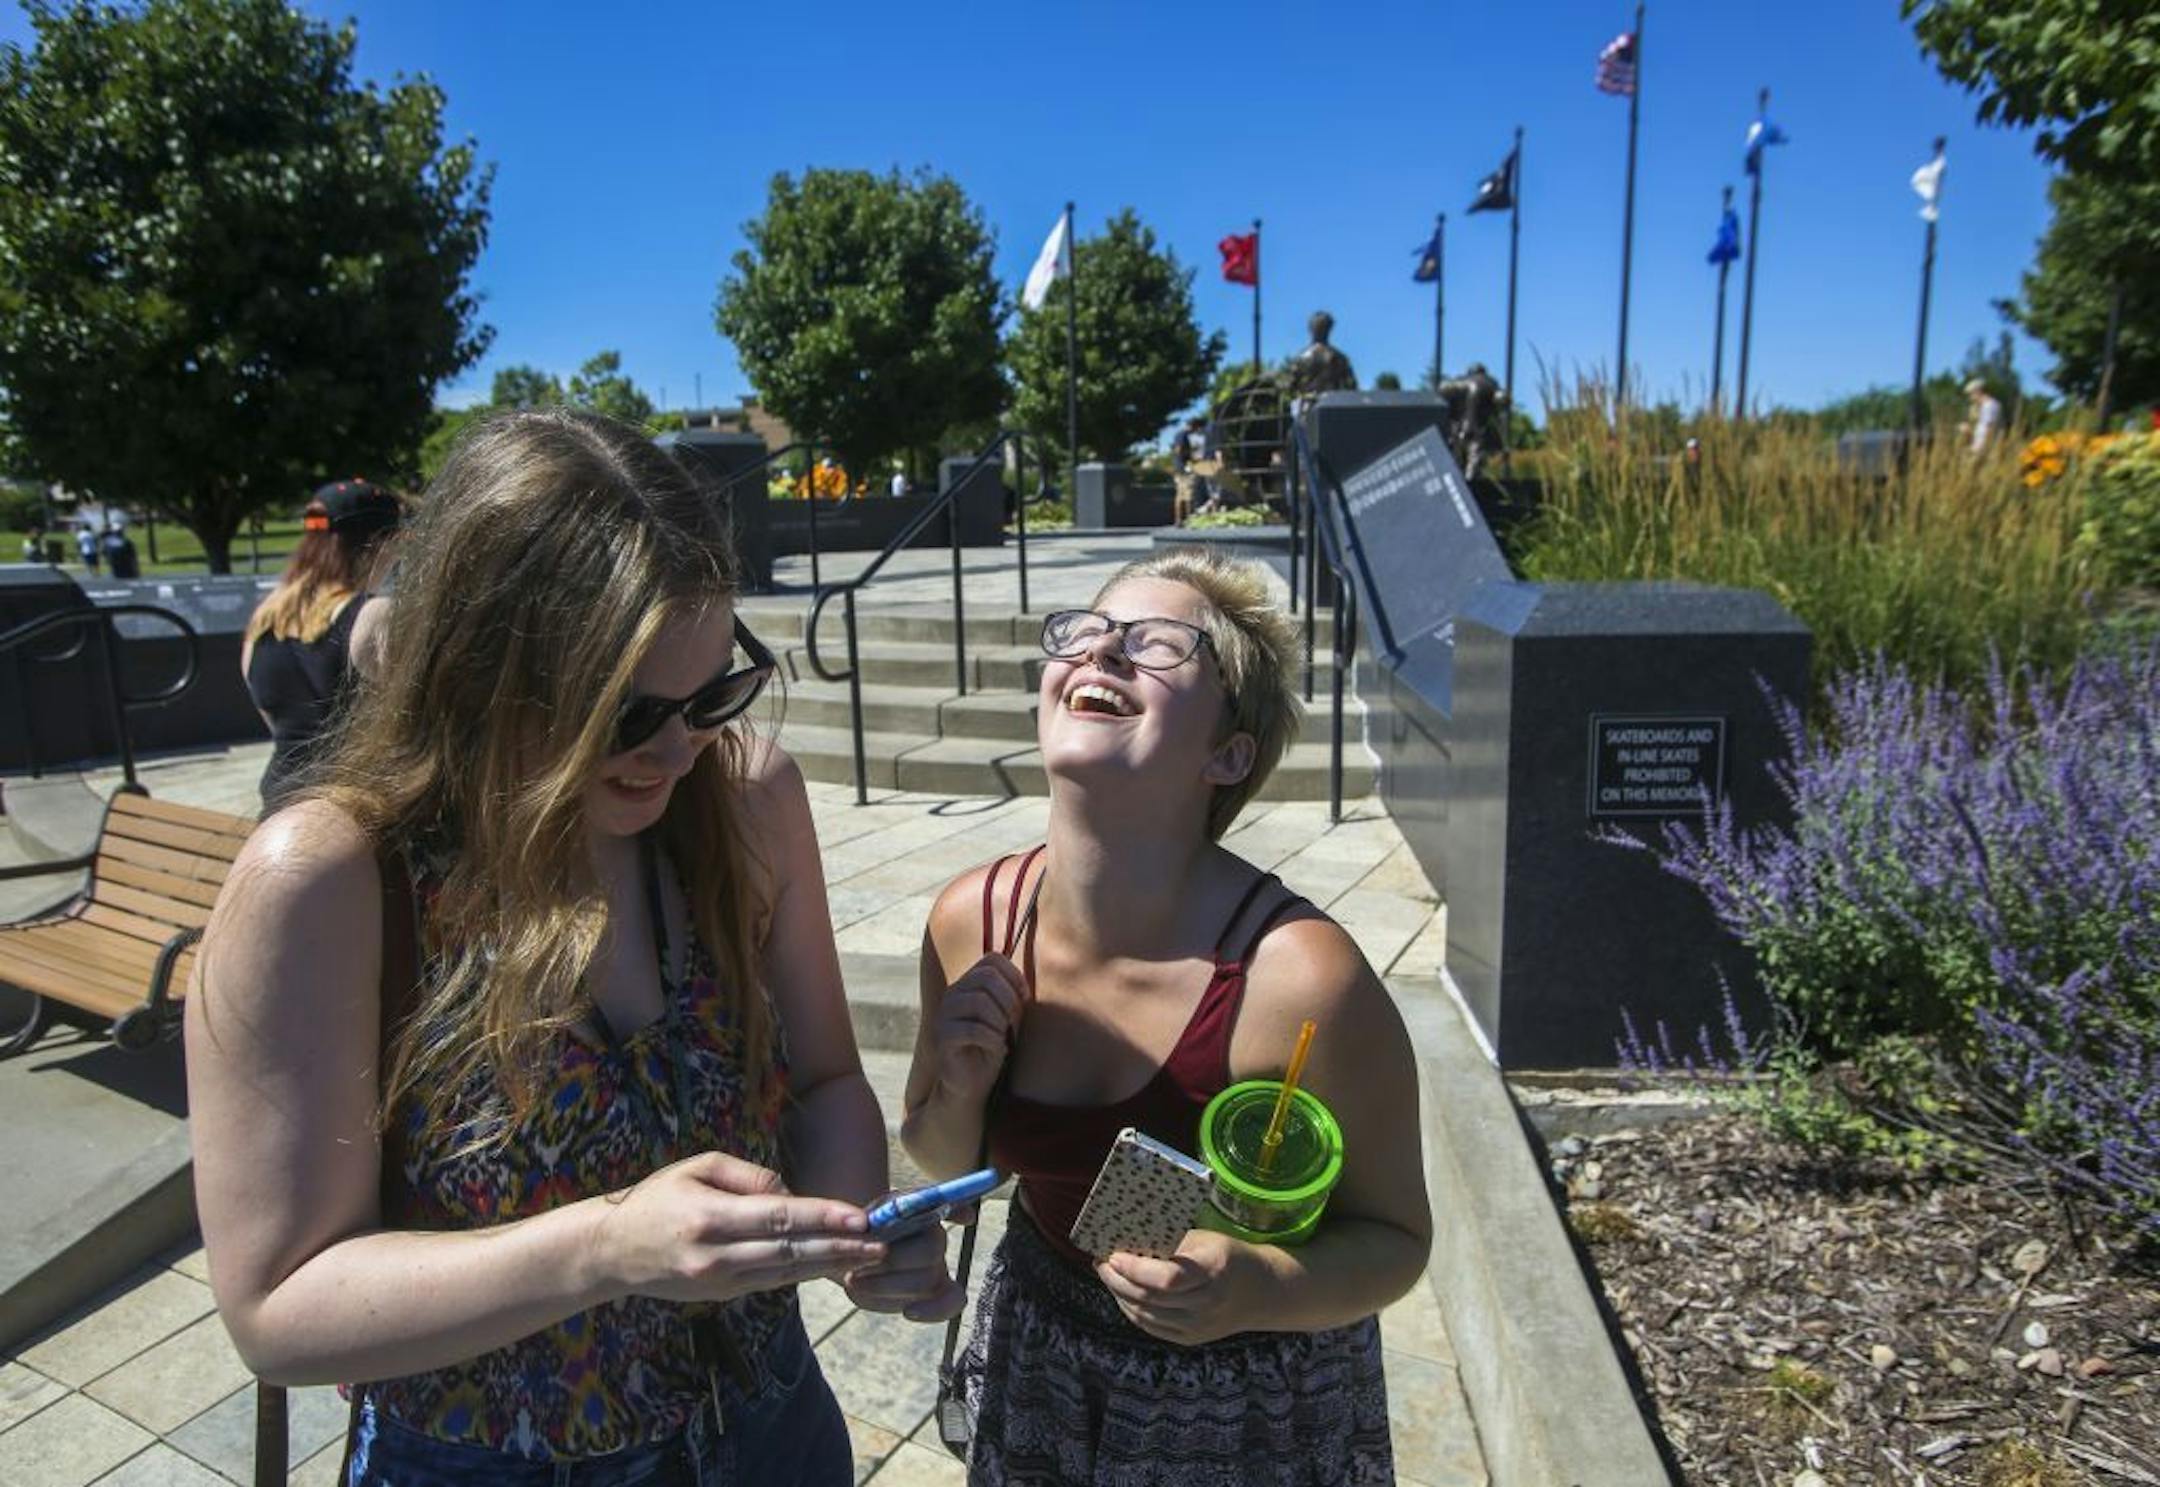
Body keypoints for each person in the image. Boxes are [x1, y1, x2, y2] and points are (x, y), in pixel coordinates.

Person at [188, 409, 959, 1486]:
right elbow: (277, 1305)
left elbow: (827, 1078)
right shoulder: (331, 881)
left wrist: (845, 1227)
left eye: (710, 694)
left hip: (770, 1425)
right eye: (627, 715)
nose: (682, 749)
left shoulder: (745, 800)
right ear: (477, 670)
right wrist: (604, 1245)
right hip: (487, 1461)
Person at [901, 549, 1431, 1484]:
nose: (1103, 653)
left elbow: (1396, 1241)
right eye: (1088, 631)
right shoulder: (969, 922)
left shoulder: (1301, 981)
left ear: (1228, 752)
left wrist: (1255, 1286)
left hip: (1249, 1402)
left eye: (1156, 645)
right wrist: (960, 1079)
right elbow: (944, 1158)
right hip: (1046, 1359)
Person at [241, 480, 406, 807]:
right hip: (350, 809)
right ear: (378, 544)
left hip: (280, 801)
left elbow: (272, 716)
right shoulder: (372, 616)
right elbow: (407, 721)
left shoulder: (266, 617)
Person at [1962, 378, 2003, 455]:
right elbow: (1981, 434)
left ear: (1977, 392)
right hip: (1979, 451)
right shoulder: (1984, 407)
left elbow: (1990, 431)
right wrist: (1968, 433)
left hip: (1984, 453)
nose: (1970, 399)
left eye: (1970, 395)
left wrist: (1982, 452)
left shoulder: (1989, 406)